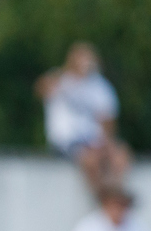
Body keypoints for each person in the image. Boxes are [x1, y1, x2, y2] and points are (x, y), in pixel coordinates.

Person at [37, 42, 128, 190]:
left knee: (120, 154)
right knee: (91, 159)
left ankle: (115, 194)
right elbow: (40, 89)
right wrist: (68, 71)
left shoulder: (100, 86)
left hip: (93, 142)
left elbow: (108, 121)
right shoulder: (61, 80)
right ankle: (102, 197)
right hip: (66, 142)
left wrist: (108, 144)